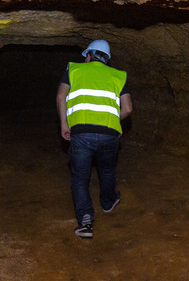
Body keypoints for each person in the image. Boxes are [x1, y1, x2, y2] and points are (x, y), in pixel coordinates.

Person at [56, 39, 133, 238]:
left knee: (80, 178)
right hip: (109, 133)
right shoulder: (119, 75)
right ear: (106, 59)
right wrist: (110, 119)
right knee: (107, 170)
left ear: (89, 55)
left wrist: (64, 124)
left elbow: (60, 96)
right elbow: (128, 109)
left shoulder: (74, 70)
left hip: (80, 132)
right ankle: (108, 203)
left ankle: (86, 222)